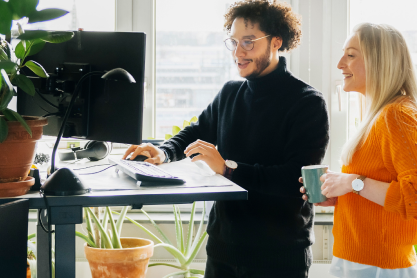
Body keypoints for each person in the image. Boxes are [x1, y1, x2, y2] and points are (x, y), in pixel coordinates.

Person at [123, 1, 329, 277]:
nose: (238, 52)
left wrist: (228, 169)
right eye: (233, 42)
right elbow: (197, 131)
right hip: (223, 249)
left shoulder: (307, 103)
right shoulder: (230, 92)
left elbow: (296, 181)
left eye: (248, 42)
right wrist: (163, 152)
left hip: (278, 256)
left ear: (276, 41)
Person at [300, 23, 417, 278]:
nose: (340, 64)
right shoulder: (378, 115)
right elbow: (382, 187)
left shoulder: (396, 116)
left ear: (380, 62)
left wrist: (353, 183)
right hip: (360, 260)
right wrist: (341, 194)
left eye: (351, 55)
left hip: (379, 267)